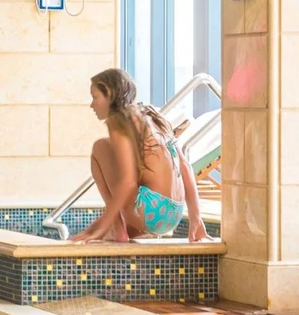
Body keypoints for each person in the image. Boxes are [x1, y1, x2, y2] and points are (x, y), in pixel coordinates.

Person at [79, 67, 207, 244]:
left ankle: (117, 228)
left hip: (150, 211)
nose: (92, 105)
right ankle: (129, 230)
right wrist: (196, 218)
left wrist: (103, 223)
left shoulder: (118, 121)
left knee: (100, 147)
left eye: (95, 97)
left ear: (109, 95)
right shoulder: (154, 116)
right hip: (174, 213)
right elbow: (185, 166)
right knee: (131, 166)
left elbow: (128, 182)